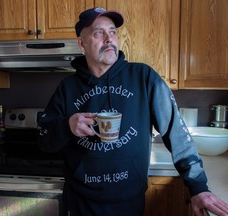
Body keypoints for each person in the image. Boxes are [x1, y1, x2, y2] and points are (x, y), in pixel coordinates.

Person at [37, 7, 228, 216]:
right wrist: (67, 126)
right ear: (82, 44)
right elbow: (44, 140)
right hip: (80, 202)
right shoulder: (67, 88)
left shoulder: (143, 77)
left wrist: (199, 187)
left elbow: (177, 134)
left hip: (129, 202)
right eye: (98, 32)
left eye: (112, 31)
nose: (109, 39)